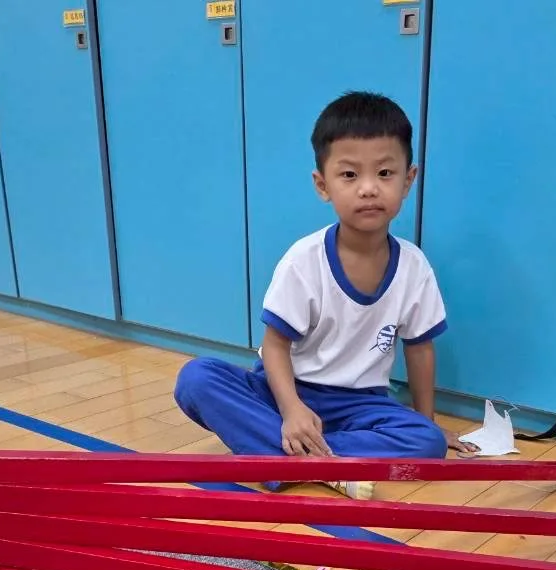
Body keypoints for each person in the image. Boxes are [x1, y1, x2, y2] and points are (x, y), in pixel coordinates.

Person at [174, 90, 475, 500]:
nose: (368, 188)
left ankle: (296, 457)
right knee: (197, 378)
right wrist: (292, 409)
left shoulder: (414, 266)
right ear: (322, 185)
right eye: (349, 175)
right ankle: (318, 457)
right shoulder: (304, 259)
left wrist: (428, 420)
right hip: (286, 391)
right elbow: (274, 346)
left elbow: (420, 349)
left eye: (385, 173)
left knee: (427, 442)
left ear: (408, 180)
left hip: (361, 406)